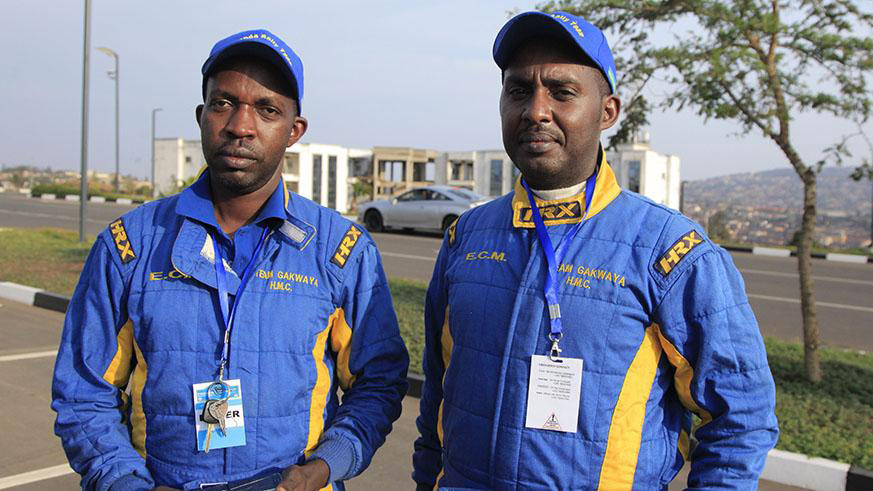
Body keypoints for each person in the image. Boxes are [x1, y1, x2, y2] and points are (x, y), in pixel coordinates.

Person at [413, 11, 778, 490]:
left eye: (562, 92)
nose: (536, 111)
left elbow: (740, 420)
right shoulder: (468, 237)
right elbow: (438, 398)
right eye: (519, 90)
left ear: (607, 112)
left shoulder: (671, 252)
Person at [52, 29, 408, 491]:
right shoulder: (130, 246)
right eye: (224, 104)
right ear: (202, 117)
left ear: (294, 131)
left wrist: (324, 466)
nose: (241, 126)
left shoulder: (341, 251)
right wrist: (124, 482)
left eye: (267, 109)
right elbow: (84, 393)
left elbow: (378, 380)